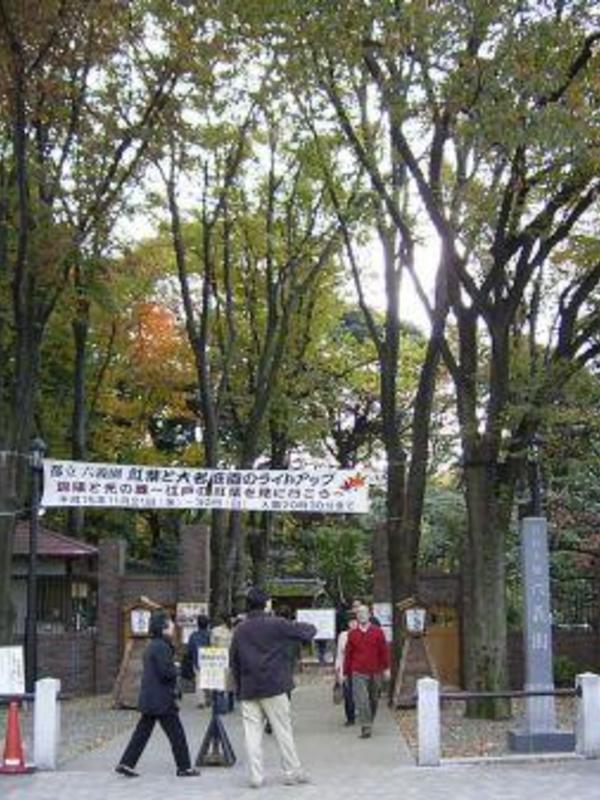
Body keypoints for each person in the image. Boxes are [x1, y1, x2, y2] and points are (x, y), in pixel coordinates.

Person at [230, 587, 316, 789]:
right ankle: (291, 771)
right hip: (274, 685)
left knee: (252, 734)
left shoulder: (240, 629)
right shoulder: (277, 624)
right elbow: (308, 632)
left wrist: (239, 688)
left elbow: (234, 661)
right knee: (282, 731)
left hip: (249, 687)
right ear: (266, 604)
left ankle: (256, 776)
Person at [115, 611, 199, 778]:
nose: (173, 626)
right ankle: (184, 767)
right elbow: (165, 672)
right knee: (177, 734)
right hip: (162, 699)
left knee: (142, 733)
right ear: (163, 628)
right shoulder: (162, 646)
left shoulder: (153, 645)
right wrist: (176, 668)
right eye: (170, 623)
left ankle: (126, 763)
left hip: (151, 697)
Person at [344, 604, 390, 739]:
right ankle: (366, 727)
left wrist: (386, 668)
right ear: (356, 616)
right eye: (359, 613)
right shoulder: (352, 634)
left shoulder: (378, 632)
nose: (361, 615)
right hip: (357, 671)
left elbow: (384, 651)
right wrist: (345, 673)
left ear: (369, 615)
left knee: (373, 699)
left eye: (364, 612)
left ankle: (369, 719)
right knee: (362, 699)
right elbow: (348, 654)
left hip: (375, 671)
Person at [335, 611, 358, 726]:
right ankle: (350, 718)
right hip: (346, 668)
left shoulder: (362, 634)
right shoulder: (343, 635)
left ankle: (360, 713)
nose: (353, 624)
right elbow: (339, 653)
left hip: (359, 668)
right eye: (351, 622)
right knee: (348, 695)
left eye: (355, 622)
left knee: (359, 694)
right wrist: (338, 669)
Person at [211, 615, 235, 713]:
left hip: (219, 659)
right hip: (231, 659)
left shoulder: (215, 631)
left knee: (219, 683)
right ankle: (230, 705)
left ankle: (221, 706)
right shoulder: (233, 631)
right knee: (230, 684)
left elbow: (212, 645)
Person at [187, 613, 211, 708]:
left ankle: (201, 701)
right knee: (209, 679)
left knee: (199, 680)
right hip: (210, 661)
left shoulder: (193, 636)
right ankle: (209, 699)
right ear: (207, 624)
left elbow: (190, 649)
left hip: (197, 661)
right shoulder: (210, 635)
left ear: (198, 624)